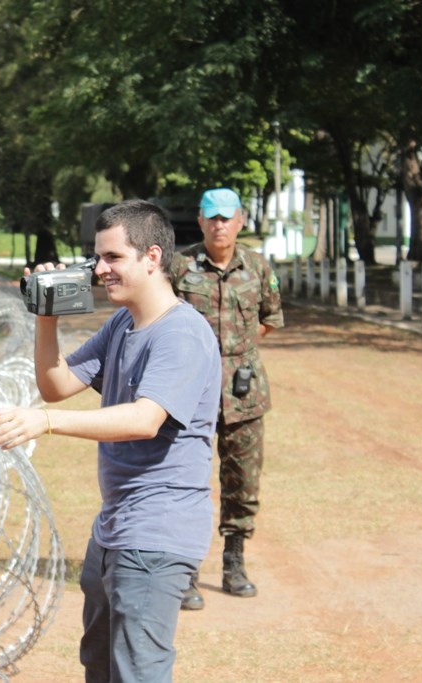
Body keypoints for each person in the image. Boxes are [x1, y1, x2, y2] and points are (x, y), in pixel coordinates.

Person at [0, 200, 221, 683]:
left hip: (157, 531)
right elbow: (55, 384)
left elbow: (145, 418)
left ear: (152, 257)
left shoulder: (182, 333)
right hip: (114, 527)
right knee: (100, 666)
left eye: (112, 257)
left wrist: (46, 423)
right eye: (98, 257)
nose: (99, 269)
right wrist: (45, 313)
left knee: (137, 673)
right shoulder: (122, 325)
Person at [170, 187, 284, 609]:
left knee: (242, 483)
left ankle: (234, 563)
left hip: (244, 392)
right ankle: (184, 572)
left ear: (240, 221)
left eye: (227, 217)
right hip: (188, 389)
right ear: (200, 221)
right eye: (212, 217)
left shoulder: (256, 267)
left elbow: (271, 316)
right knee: (184, 480)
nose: (219, 225)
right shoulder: (180, 266)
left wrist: (238, 350)